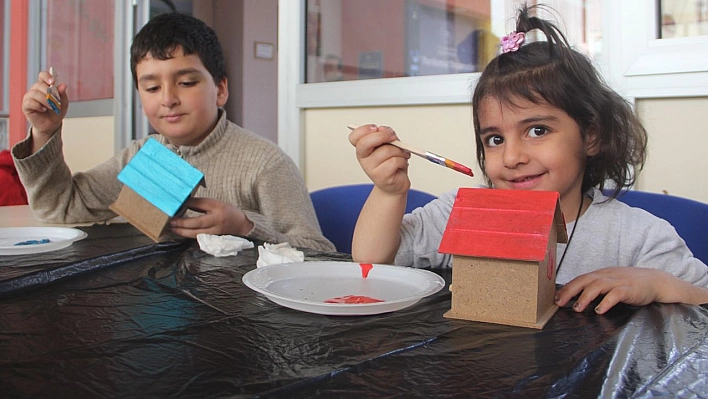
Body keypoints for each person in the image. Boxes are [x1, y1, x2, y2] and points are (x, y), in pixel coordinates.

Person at [348, 5, 708, 314]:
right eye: (494, 138)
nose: (512, 156)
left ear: (591, 135)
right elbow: (373, 261)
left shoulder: (639, 237)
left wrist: (658, 283)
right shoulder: (463, 214)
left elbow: (703, 301)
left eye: (537, 130)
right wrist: (390, 191)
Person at [12, 12, 334, 252]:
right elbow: (59, 207)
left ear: (220, 90)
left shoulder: (265, 163)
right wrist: (44, 133)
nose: (168, 99)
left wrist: (247, 226)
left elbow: (319, 252)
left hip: (240, 316)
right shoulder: (141, 157)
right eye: (151, 87)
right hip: (162, 308)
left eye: (187, 82)